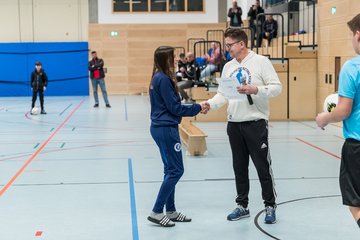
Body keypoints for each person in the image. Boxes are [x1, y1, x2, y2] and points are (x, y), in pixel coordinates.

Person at [205, 28, 281, 224]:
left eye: (229, 45)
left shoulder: (261, 62)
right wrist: (209, 105)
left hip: (256, 124)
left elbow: (277, 87)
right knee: (239, 168)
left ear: (241, 44)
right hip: (234, 124)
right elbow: (223, 94)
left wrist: (256, 89)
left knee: (263, 167)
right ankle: (242, 205)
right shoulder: (228, 66)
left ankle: (270, 206)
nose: (227, 48)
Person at [147, 46, 209, 227]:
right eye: (173, 57)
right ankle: (157, 211)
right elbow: (175, 108)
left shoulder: (159, 77)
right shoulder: (163, 79)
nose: (176, 59)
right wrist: (198, 107)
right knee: (176, 170)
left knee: (170, 170)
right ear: (165, 59)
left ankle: (171, 211)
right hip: (165, 129)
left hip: (163, 127)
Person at [316, 13, 360, 229]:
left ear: (358, 35)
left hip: (357, 148)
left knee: (356, 202)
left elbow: (343, 110)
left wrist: (324, 117)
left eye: (351, 35)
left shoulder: (352, 68)